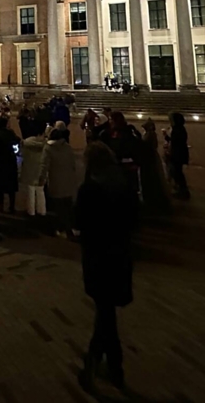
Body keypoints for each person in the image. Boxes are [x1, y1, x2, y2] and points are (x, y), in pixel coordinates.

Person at [75, 141, 134, 392]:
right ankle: (112, 367)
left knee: (105, 314)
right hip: (120, 254)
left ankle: (97, 364)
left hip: (99, 256)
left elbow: (80, 222)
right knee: (106, 312)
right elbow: (135, 219)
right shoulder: (123, 185)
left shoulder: (91, 189)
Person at [139, 118, 172, 215]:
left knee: (152, 175)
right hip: (150, 155)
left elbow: (147, 145)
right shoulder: (150, 134)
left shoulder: (150, 135)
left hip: (149, 156)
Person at [19, 126, 49, 216]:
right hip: (40, 169)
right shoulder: (45, 145)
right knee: (40, 190)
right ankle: (42, 210)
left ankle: (31, 210)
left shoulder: (26, 143)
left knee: (30, 191)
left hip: (29, 169)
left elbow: (22, 154)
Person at [0, 117, 20, 214]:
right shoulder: (10, 133)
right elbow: (17, 140)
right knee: (11, 186)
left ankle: (1, 206)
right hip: (10, 161)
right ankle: (11, 206)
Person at [163, 112, 190, 200]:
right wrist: (166, 136)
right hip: (179, 153)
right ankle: (180, 189)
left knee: (177, 172)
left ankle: (183, 190)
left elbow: (175, 142)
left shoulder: (177, 130)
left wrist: (169, 151)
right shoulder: (179, 129)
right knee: (177, 172)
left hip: (177, 154)